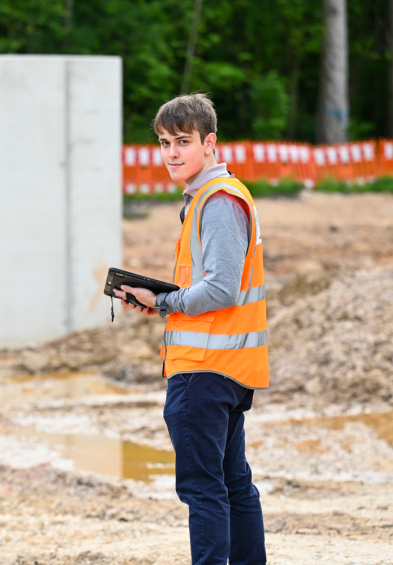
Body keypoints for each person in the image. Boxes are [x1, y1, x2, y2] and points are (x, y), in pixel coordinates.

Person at [113, 93, 268, 565]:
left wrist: (161, 301)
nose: (173, 153)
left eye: (183, 141)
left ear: (210, 143)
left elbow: (220, 290)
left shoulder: (217, 202)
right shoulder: (211, 198)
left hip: (205, 370)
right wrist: (162, 301)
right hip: (226, 367)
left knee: (204, 489)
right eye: (164, 143)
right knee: (232, 480)